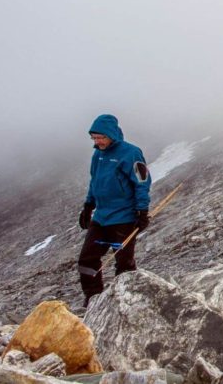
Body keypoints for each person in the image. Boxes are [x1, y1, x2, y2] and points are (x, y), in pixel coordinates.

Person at [77, 114, 151, 307]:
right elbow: (95, 181)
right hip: (101, 217)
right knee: (87, 258)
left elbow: (141, 182)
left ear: (111, 134)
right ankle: (93, 298)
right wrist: (88, 205)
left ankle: (126, 300)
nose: (97, 141)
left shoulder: (131, 153)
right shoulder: (98, 154)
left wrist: (142, 210)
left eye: (101, 137)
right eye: (94, 138)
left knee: (124, 263)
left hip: (123, 217)